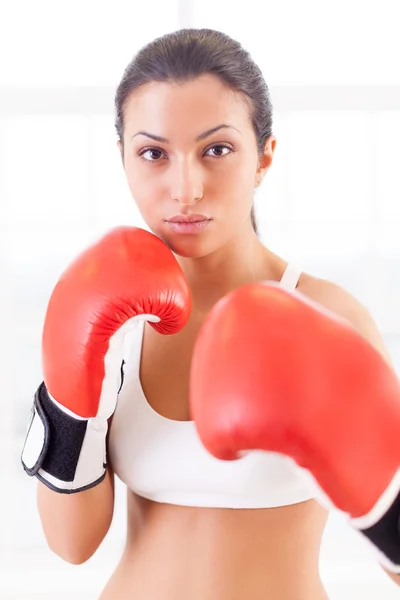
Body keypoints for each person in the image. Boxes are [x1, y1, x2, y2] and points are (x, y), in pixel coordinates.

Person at [20, 28, 400, 599]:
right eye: (154, 154)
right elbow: (71, 546)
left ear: (264, 157)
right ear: (124, 160)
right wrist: (71, 400)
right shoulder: (108, 315)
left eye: (216, 150)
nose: (186, 188)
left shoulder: (327, 314)